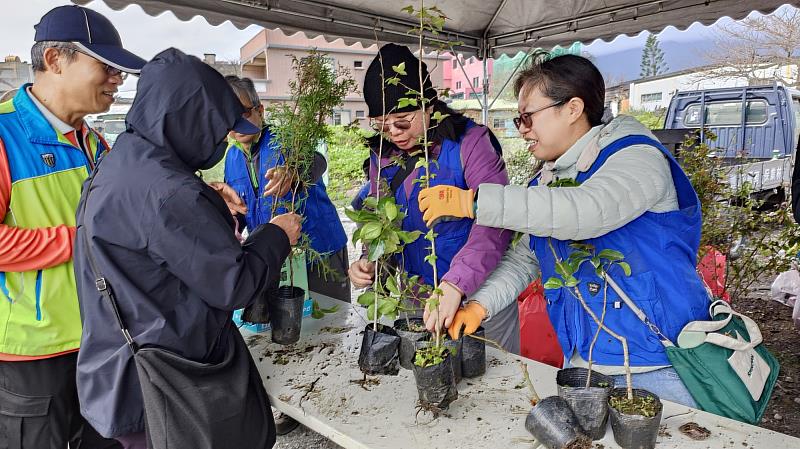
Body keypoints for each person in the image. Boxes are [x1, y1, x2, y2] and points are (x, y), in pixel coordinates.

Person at [418, 53, 710, 407]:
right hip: (584, 362)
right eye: (518, 118)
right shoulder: (551, 178)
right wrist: (479, 306)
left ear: (573, 108)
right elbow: (526, 258)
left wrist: (474, 203)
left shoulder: (635, 155)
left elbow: (587, 211)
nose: (521, 128)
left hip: (659, 363)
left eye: (528, 116)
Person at [72, 48, 302, 448]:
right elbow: (235, 283)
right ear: (191, 120)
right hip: (165, 380)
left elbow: (156, 241)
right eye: (215, 128)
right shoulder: (169, 192)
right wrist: (277, 234)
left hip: (117, 366)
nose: (220, 140)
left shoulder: (122, 162)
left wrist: (208, 203)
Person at [0, 6, 145, 448]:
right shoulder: (5, 137)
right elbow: (93, 232)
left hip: (99, 340)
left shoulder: (93, 140)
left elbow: (121, 211)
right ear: (56, 61)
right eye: (106, 66)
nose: (117, 79)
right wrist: (78, 242)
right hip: (33, 353)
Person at [348, 43, 519, 352]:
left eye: (402, 121)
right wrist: (369, 260)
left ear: (429, 106)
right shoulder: (382, 156)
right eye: (383, 126)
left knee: (494, 383)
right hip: (418, 298)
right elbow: (380, 222)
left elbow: (495, 224)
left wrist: (456, 284)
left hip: (479, 295)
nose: (395, 134)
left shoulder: (470, 143)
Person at [223, 76, 350, 302]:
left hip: (320, 251)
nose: (237, 126)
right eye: (228, 118)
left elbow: (318, 161)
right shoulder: (232, 158)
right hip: (278, 255)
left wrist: (293, 172)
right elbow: (239, 209)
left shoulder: (287, 139)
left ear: (260, 110)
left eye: (243, 114)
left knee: (333, 319)